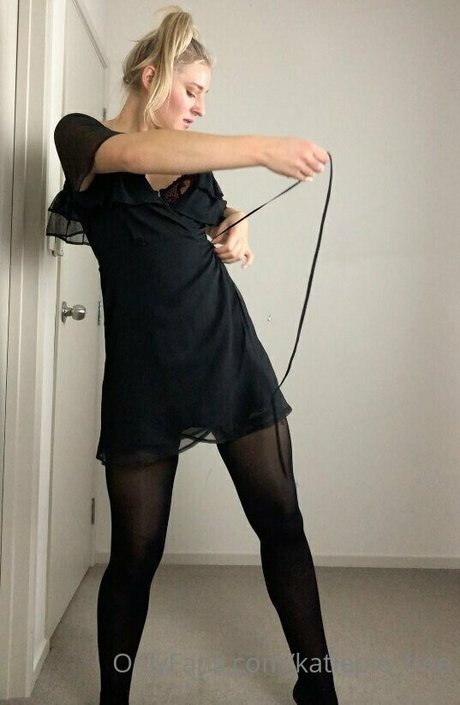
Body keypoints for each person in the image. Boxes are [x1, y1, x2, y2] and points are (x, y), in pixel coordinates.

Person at [46, 6, 338, 705]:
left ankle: (318, 685)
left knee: (282, 522)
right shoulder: (81, 136)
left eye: (205, 94)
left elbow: (215, 207)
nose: (200, 106)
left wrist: (236, 225)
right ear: (152, 78)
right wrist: (265, 147)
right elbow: (135, 155)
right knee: (135, 553)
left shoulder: (194, 164)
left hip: (227, 354)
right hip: (143, 380)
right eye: (193, 90)